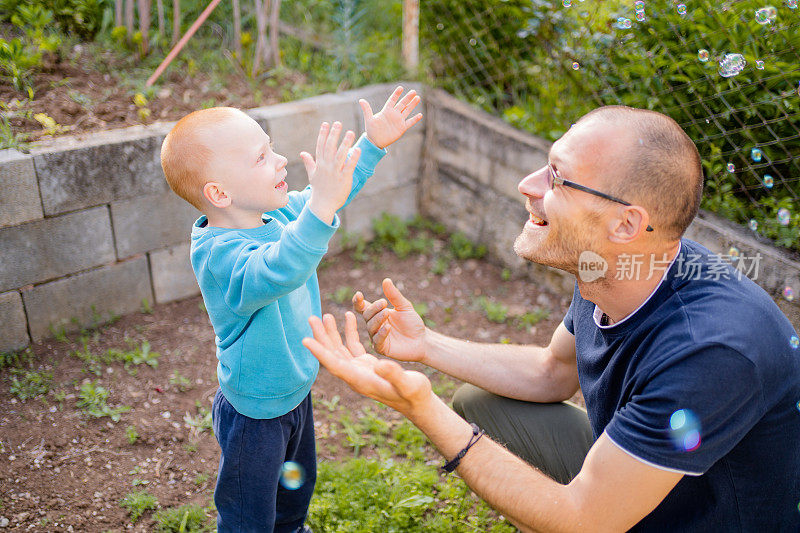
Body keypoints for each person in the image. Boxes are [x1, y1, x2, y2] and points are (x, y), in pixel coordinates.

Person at [302, 105, 800, 531]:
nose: (528, 184)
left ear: (626, 222)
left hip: (695, 520)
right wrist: (427, 345)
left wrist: (420, 405)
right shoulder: (616, 264)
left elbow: (585, 518)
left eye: (557, 178)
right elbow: (553, 372)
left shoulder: (712, 350)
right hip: (639, 483)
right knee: (483, 405)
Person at [159, 86, 422, 532]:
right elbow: (279, 269)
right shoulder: (220, 255)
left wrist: (371, 144)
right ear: (220, 194)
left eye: (272, 148)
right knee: (249, 516)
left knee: (293, 496)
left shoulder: (275, 217)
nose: (280, 160)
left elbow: (331, 193)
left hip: (295, 394)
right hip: (254, 416)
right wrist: (318, 207)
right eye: (262, 157)